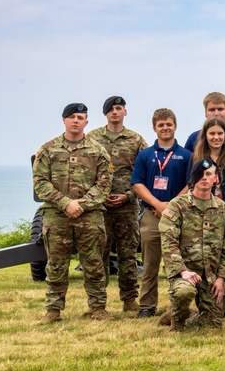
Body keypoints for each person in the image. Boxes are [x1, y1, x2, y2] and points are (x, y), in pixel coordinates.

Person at [33, 103, 112, 324]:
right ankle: (53, 310)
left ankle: (98, 307)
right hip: (57, 216)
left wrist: (82, 205)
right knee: (56, 264)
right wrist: (65, 203)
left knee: (94, 263)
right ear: (64, 121)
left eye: (80, 117)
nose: (76, 120)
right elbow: (40, 183)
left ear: (86, 122)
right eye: (72, 117)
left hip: (90, 216)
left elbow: (104, 184)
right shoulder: (48, 150)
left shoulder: (98, 151)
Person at [87, 95, 147, 312]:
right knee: (97, 254)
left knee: (128, 254)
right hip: (99, 207)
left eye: (119, 108)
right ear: (105, 114)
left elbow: (144, 173)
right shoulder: (91, 139)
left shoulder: (136, 140)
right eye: (111, 109)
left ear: (125, 112)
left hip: (127, 207)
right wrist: (99, 197)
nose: (115, 112)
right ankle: (97, 302)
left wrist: (128, 196)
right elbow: (85, 171)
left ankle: (130, 299)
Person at [131, 108, 193, 318]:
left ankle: (178, 304)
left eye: (169, 124)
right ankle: (147, 306)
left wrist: (171, 206)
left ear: (175, 126)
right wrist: (158, 204)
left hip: (178, 216)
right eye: (161, 125)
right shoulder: (145, 155)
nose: (165, 128)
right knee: (149, 263)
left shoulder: (186, 155)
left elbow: (190, 184)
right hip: (151, 215)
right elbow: (137, 185)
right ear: (154, 128)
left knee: (177, 262)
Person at [159, 159, 225, 331]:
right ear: (193, 178)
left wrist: (221, 278)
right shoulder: (177, 205)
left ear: (216, 179)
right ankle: (177, 319)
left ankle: (189, 315)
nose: (204, 178)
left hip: (210, 276)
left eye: (209, 174)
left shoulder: (222, 209)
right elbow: (168, 242)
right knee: (184, 292)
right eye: (200, 174)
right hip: (184, 272)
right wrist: (182, 271)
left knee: (212, 327)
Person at [191, 117, 225, 306]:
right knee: (206, 255)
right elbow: (191, 183)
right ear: (205, 136)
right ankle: (206, 300)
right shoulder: (197, 159)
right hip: (202, 212)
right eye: (212, 133)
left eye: (220, 134)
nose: (216, 137)